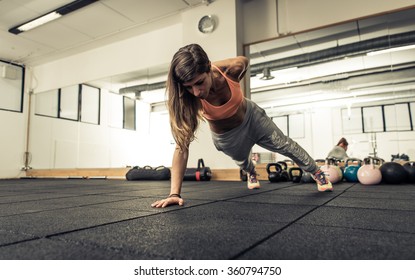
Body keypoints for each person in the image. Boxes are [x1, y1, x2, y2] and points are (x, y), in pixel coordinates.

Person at [151, 44, 332, 208]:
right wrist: (174, 193)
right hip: (227, 136)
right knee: (242, 160)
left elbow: (244, 61)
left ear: (208, 68)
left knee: (285, 144)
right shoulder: (189, 100)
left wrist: (223, 73)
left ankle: (317, 172)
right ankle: (250, 171)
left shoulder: (230, 70)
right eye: (189, 87)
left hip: (252, 117)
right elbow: (181, 148)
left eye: (199, 82)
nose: (196, 92)